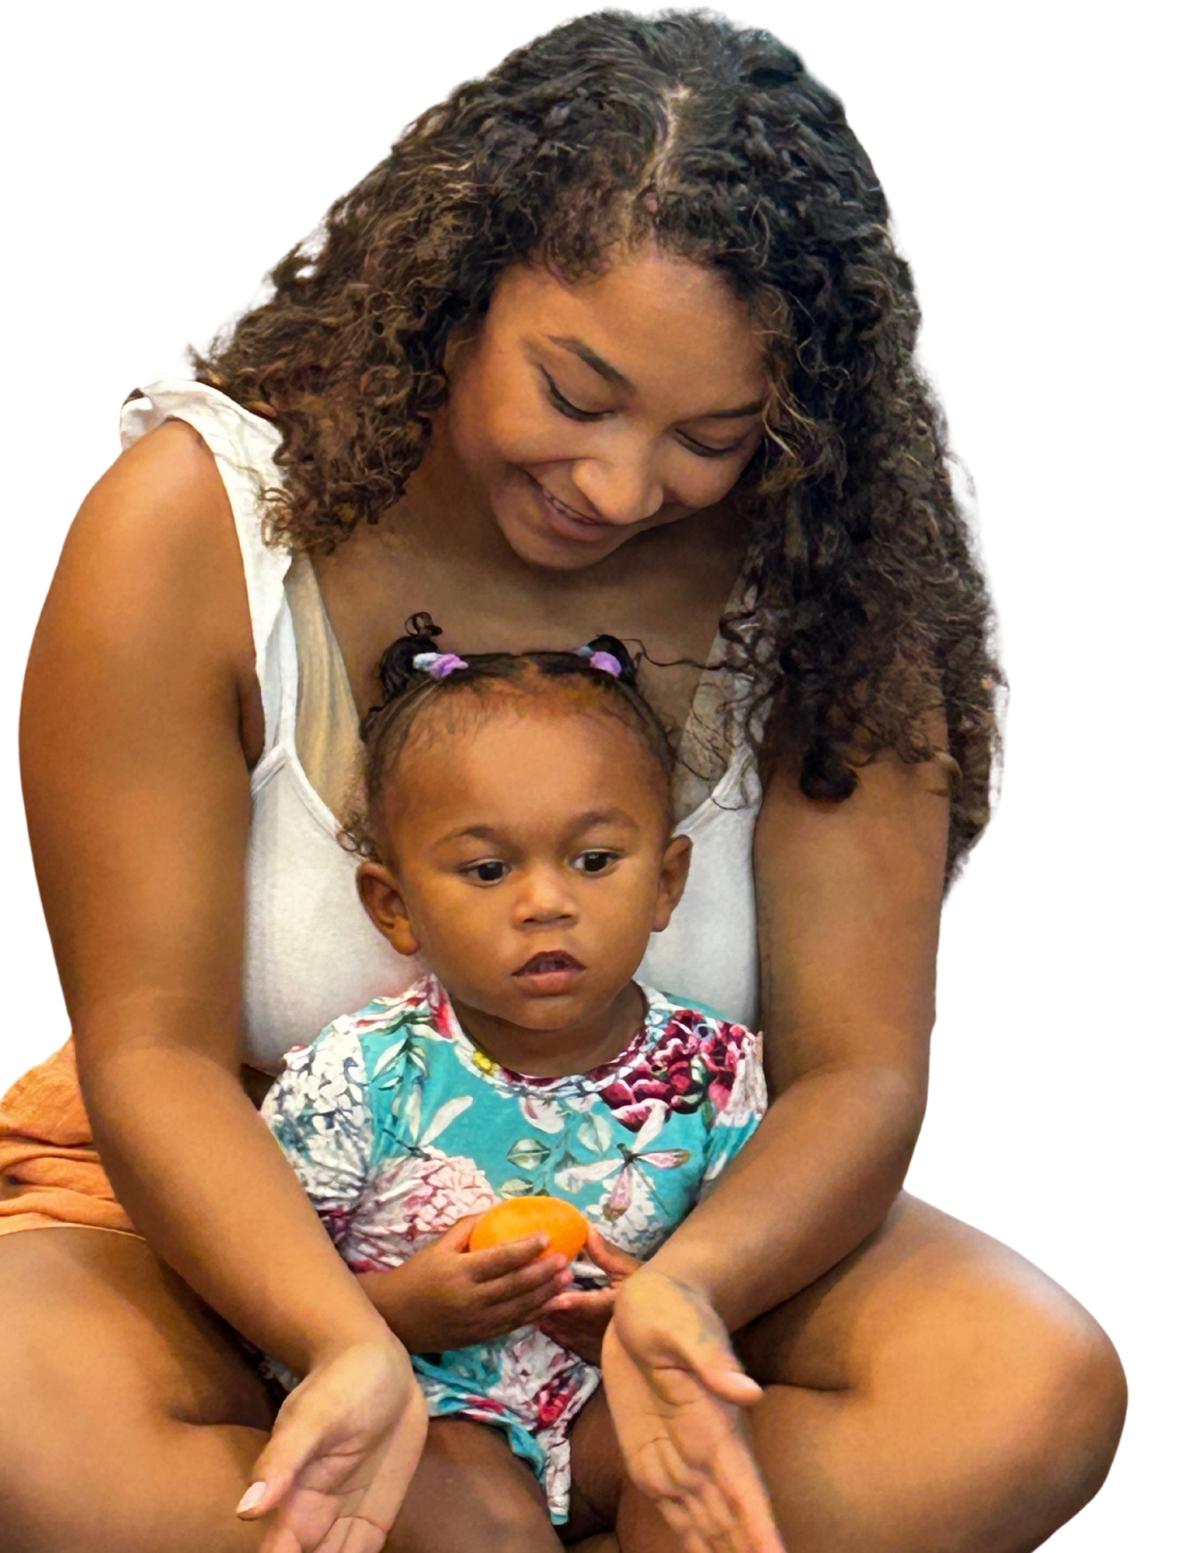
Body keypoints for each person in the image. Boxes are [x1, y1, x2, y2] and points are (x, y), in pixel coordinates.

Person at [0, 10, 1126, 1553]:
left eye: (710, 437)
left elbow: (860, 1072)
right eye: (577, 392)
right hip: (248, 1233)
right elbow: (153, 1056)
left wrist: (688, 1293)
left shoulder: (834, 582)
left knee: (1025, 1386)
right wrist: (347, 1336)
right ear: (457, 288)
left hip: (663, 1235)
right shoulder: (191, 533)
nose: (618, 485)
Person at [259, 623, 771, 1547]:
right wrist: (397, 1313)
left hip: (617, 1399)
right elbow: (256, 1296)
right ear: (395, 905)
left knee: (709, 1484)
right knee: (479, 1532)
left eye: (594, 860)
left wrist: (658, 1306)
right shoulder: (356, 1073)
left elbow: (757, 1265)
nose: (545, 901)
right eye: (489, 869)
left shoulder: (716, 1073)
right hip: (427, 1410)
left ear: (666, 881)